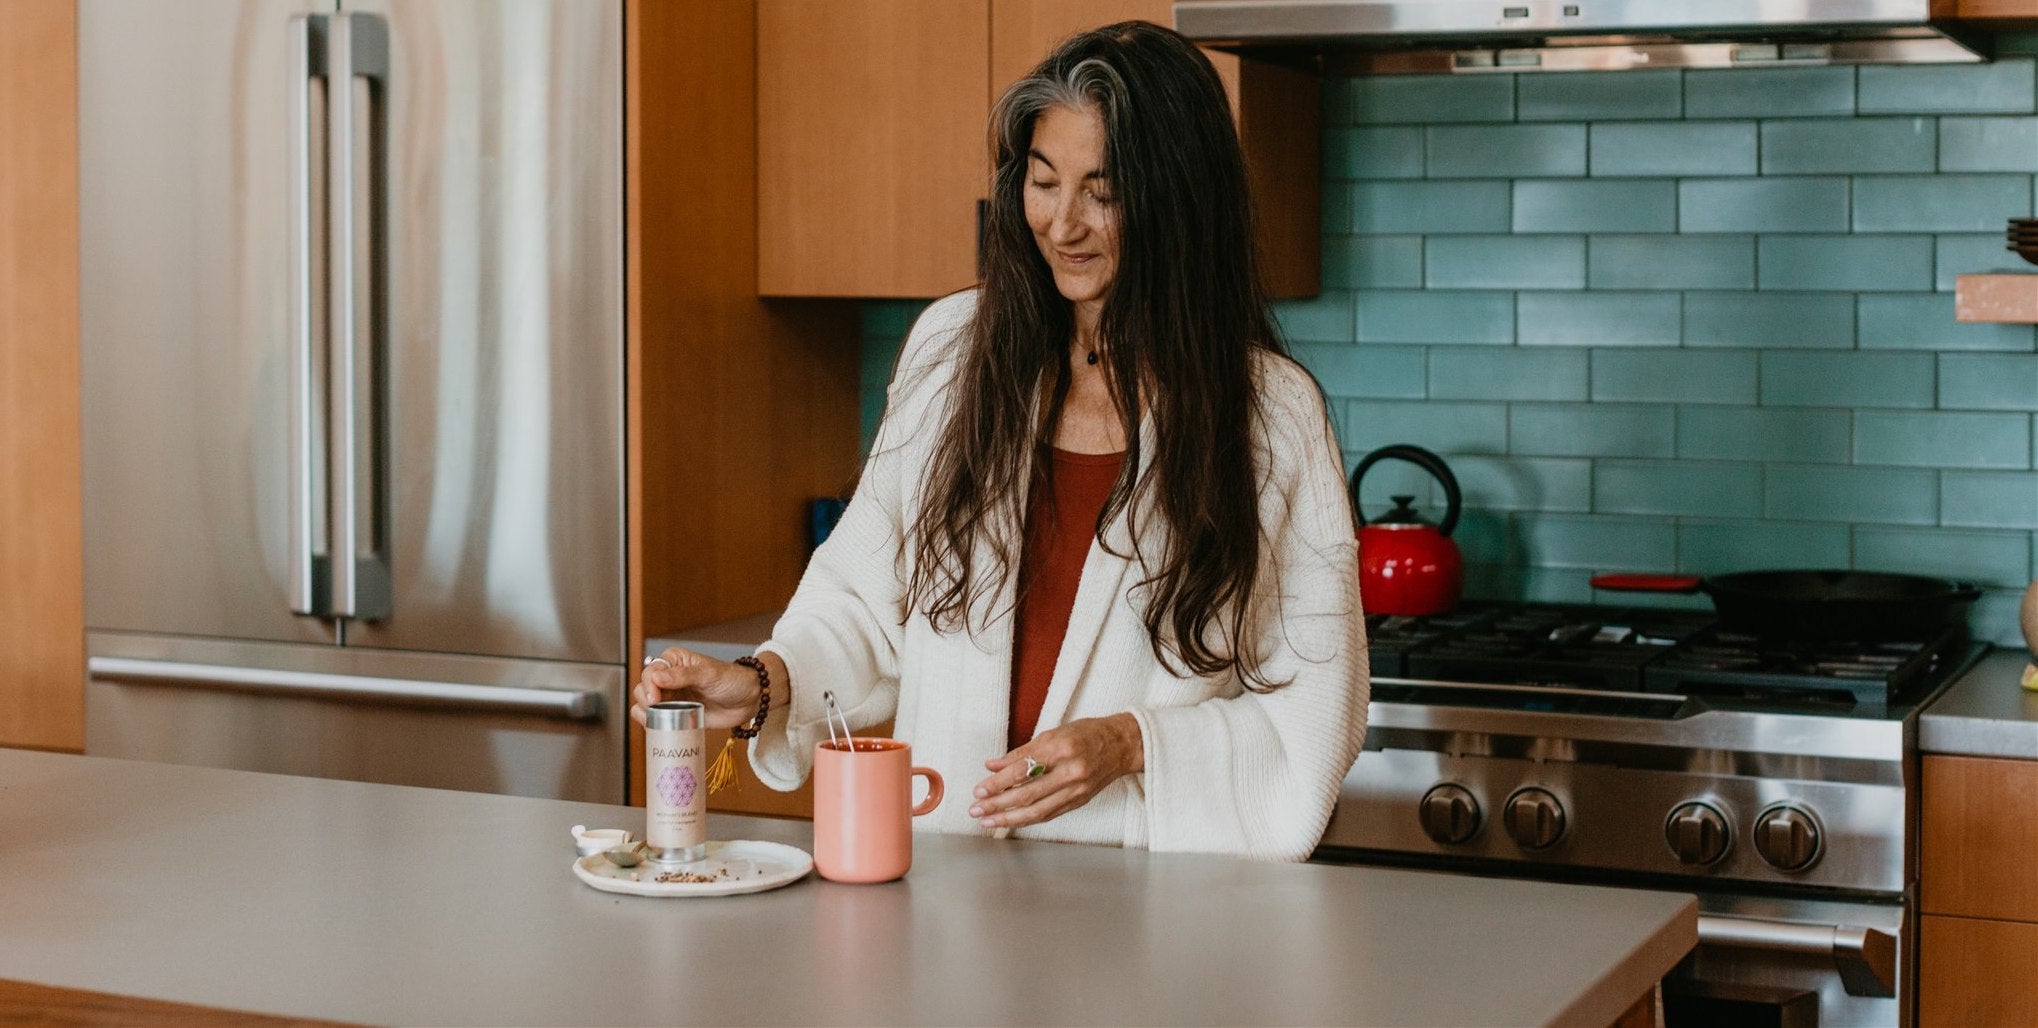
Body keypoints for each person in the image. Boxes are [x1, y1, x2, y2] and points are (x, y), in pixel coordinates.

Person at [633, 20, 1367, 862]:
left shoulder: (1272, 416)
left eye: (1104, 191)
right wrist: (764, 684)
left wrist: (1133, 744)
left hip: (1155, 922)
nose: (1062, 225)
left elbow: (1317, 708)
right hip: (948, 892)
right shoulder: (954, 352)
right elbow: (865, 601)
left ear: (1180, 199)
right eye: (1044, 182)